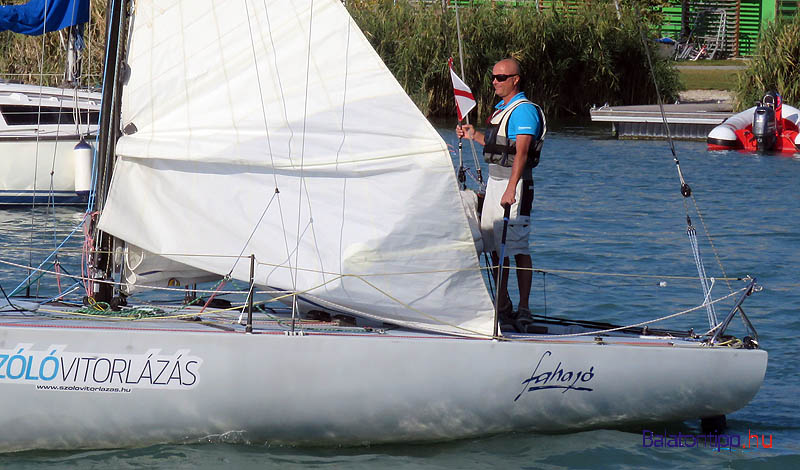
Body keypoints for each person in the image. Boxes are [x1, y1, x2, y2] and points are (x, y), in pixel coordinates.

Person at [455, 58, 546, 332]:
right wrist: (475, 135)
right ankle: (502, 304)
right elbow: (498, 145)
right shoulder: (501, 110)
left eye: (501, 77)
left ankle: (524, 307)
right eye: (493, 77)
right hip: (495, 183)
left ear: (515, 80)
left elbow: (521, 152)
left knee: (516, 247)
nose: (495, 81)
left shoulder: (524, 111)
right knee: (493, 244)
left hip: (514, 185)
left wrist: (510, 189)